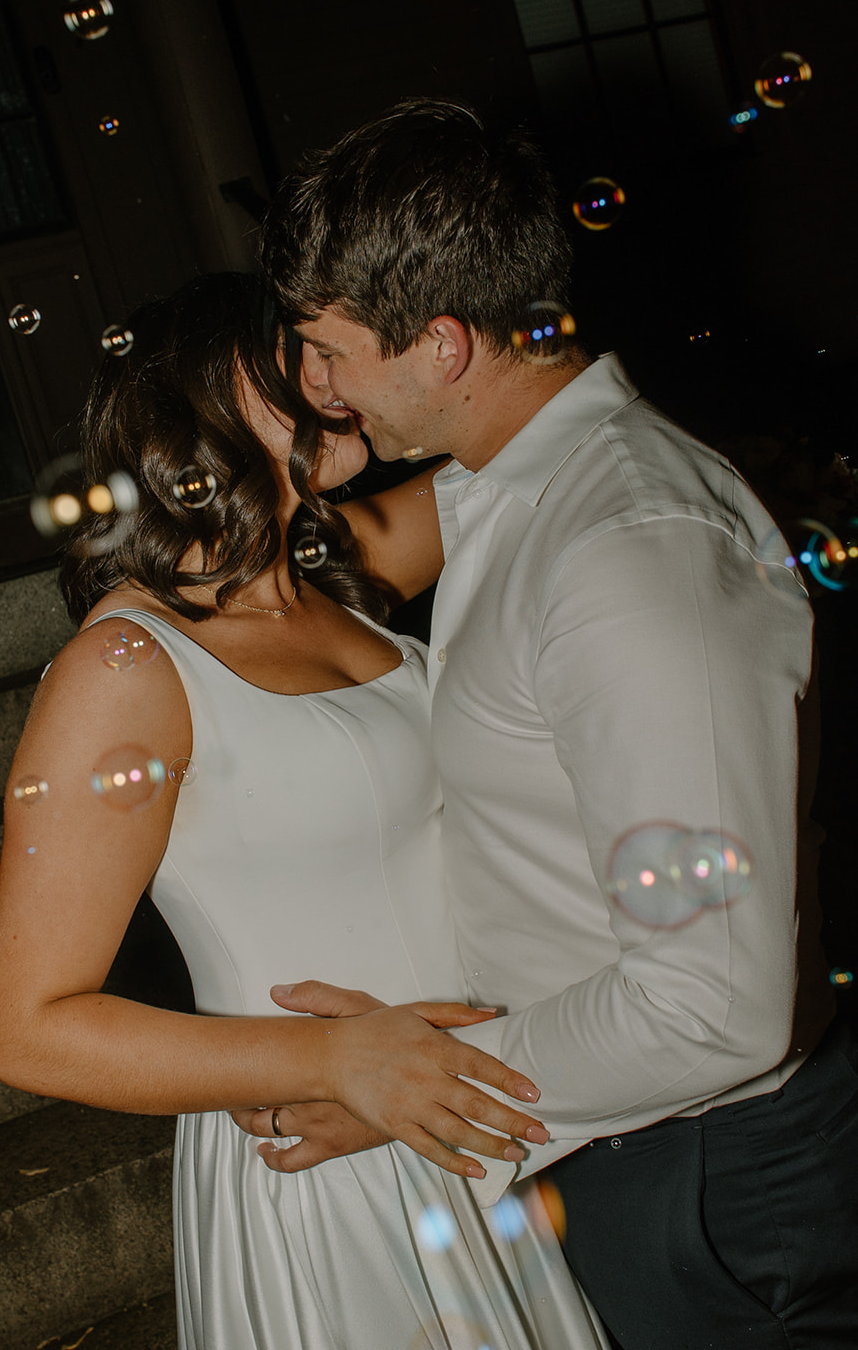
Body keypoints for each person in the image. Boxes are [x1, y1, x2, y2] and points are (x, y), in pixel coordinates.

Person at [235, 100, 858, 1349]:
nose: (313, 387)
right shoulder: (505, 488)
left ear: (443, 346)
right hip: (627, 1151)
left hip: (702, 1183)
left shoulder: (624, 548)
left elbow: (709, 1003)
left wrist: (419, 1086)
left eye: (324, 350)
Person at [0, 273, 611, 1350]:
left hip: (472, 1114)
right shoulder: (126, 666)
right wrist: (329, 1064)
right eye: (299, 355)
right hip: (329, 1162)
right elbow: (27, 1029)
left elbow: (539, 440)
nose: (331, 374)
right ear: (197, 405)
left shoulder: (330, 572)